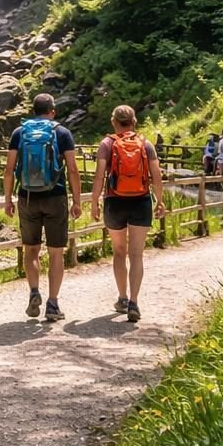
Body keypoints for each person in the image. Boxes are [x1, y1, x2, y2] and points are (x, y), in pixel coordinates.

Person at [2, 93, 81, 321]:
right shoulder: (62, 133)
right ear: (52, 111)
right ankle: (53, 304)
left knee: (31, 249)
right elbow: (73, 170)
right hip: (55, 196)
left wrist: (7, 199)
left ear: (33, 110)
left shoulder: (20, 133)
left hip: (27, 196)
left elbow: (9, 169)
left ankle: (34, 291)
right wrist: (77, 200)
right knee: (56, 252)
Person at [91, 105, 165, 323]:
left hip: (115, 201)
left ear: (114, 121)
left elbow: (98, 176)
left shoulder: (107, 144)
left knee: (119, 252)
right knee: (136, 254)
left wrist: (94, 201)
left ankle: (122, 298)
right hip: (141, 201)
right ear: (134, 121)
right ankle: (134, 302)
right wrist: (160, 201)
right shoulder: (146, 144)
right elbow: (156, 175)